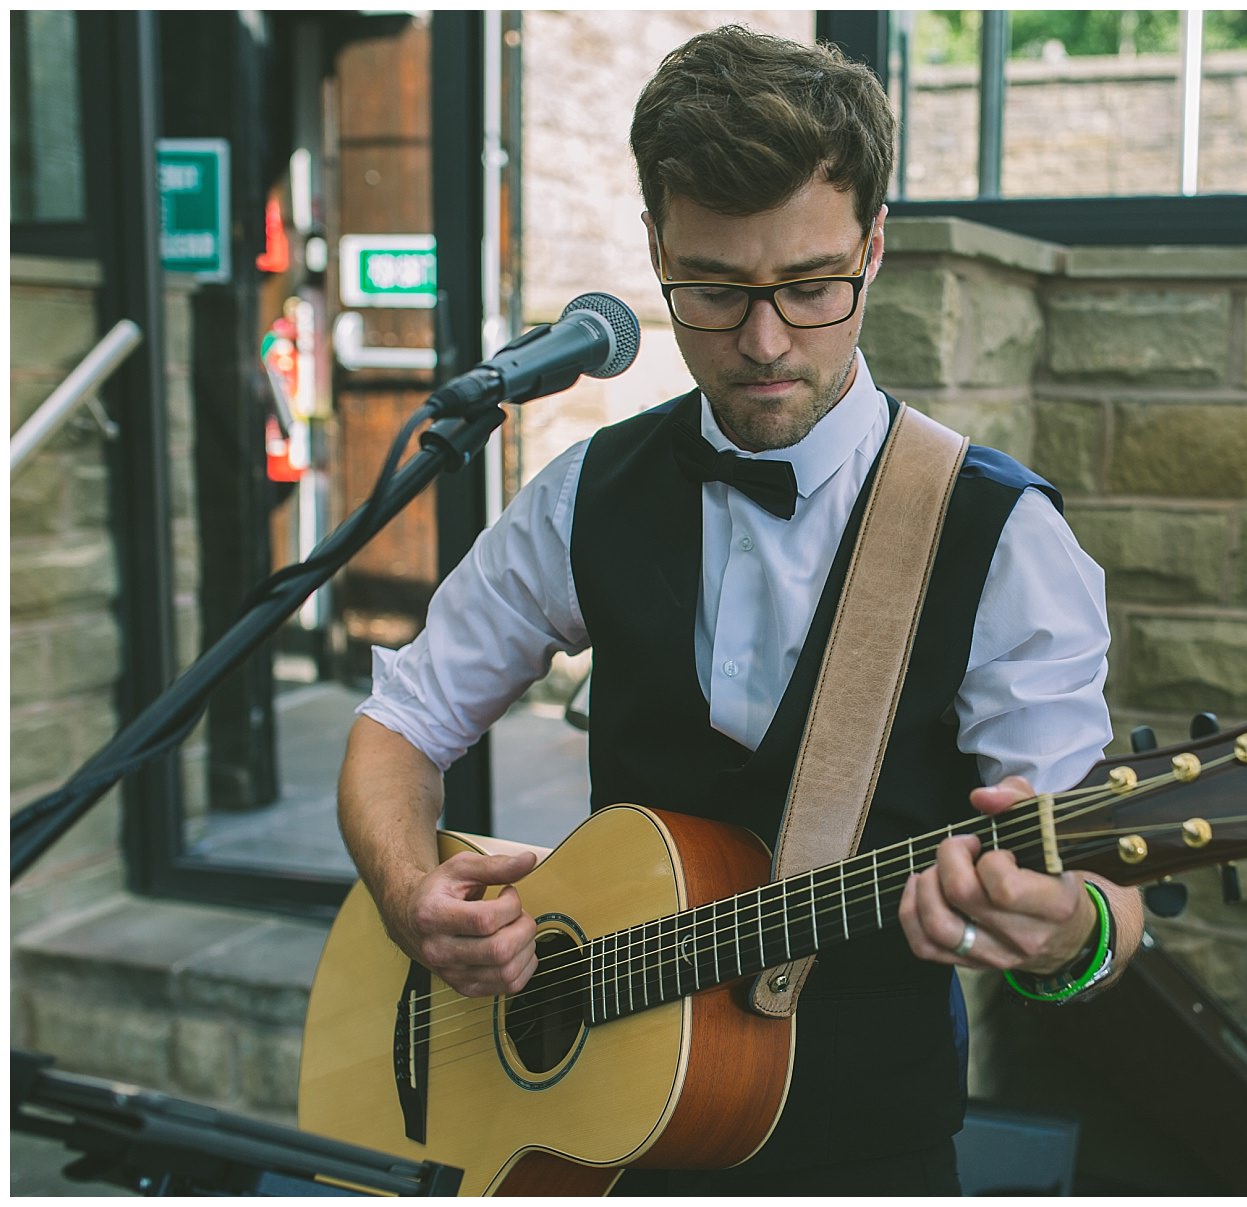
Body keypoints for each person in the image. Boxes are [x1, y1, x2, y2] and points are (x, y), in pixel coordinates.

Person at [336, 23, 1142, 1195]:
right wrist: (413, 896)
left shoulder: (1003, 541)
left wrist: (1068, 936)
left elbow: (1103, 895)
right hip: (594, 1149)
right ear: (658, 247)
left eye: (810, 286)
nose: (764, 344)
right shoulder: (585, 494)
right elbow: (398, 724)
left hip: (864, 1156)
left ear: (874, 246)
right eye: (713, 291)